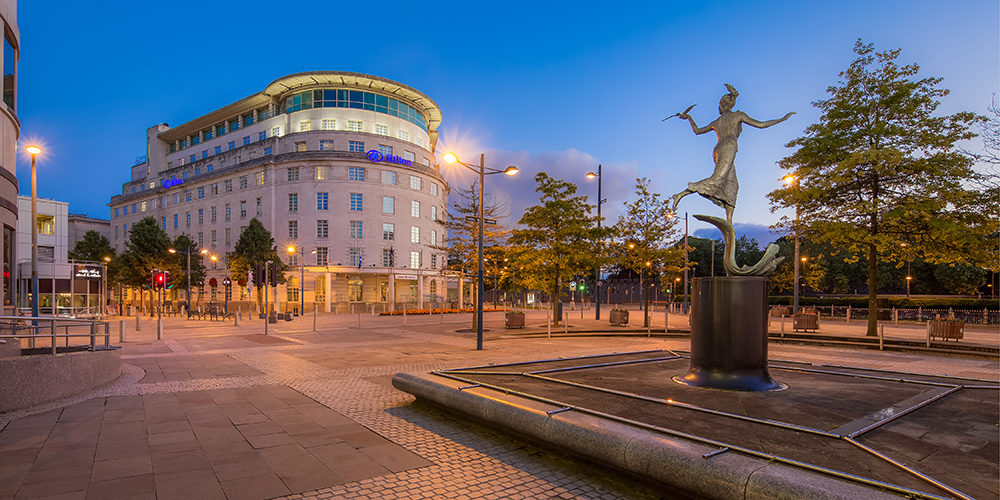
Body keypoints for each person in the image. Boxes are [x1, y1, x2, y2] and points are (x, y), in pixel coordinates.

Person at [671, 84, 794, 221]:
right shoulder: (738, 115)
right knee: (717, 179)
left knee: (732, 184)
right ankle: (680, 195)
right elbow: (761, 124)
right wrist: (782, 119)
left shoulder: (717, 121)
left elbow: (697, 131)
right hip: (728, 147)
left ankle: (729, 221)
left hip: (718, 150)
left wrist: (688, 117)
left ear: (722, 105)